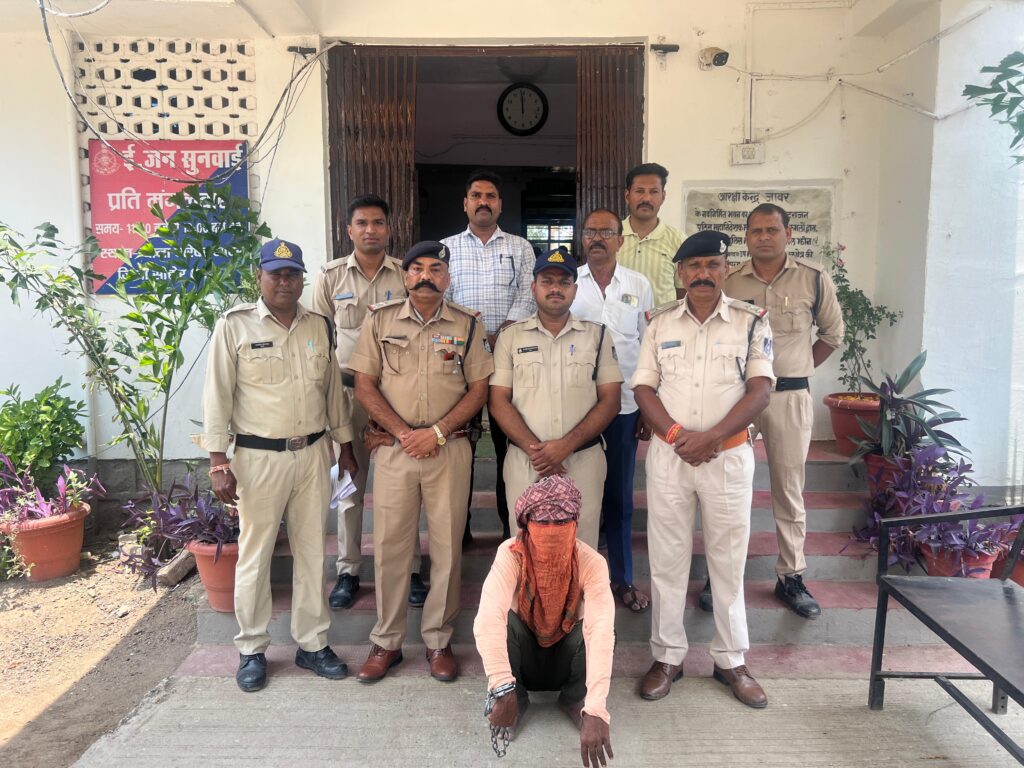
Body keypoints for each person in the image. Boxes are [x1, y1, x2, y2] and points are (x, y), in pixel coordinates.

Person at [197, 238, 358, 693]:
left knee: (311, 552)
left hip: (313, 454)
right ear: (260, 276)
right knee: (256, 553)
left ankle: (312, 643)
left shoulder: (319, 325)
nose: (284, 281)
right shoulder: (235, 325)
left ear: (302, 279)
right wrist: (217, 461)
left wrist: (345, 447)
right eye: (276, 273)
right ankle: (252, 648)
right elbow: (217, 395)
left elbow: (332, 394)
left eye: (292, 274)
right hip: (258, 458)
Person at [632, 230, 775, 708]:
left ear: (726, 269)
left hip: (727, 458)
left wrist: (711, 436)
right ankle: (667, 656)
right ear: (679, 273)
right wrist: (677, 435)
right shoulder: (658, 323)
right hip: (670, 457)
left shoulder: (751, 322)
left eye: (712, 265)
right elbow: (644, 388)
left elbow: (760, 390)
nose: (703, 274)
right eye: (693, 266)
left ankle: (731, 659)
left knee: (728, 561)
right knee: (667, 559)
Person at [348, 240, 493, 683]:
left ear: (447, 277)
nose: (426, 275)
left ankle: (438, 640)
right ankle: (386, 641)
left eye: (436, 269)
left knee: (447, 548)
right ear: (405, 276)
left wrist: (437, 432)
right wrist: (402, 433)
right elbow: (365, 385)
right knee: (391, 547)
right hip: (396, 450)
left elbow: (479, 389)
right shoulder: (380, 320)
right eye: (417, 269)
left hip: (449, 448)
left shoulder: (468, 324)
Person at [718, 203, 845, 619]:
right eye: (756, 231)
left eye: (772, 230)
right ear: (746, 237)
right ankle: (721, 574)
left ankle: (791, 575)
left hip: (789, 397)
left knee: (789, 489)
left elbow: (832, 334)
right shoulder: (730, 280)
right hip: (738, 399)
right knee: (725, 486)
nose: (764, 237)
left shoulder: (813, 278)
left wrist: (798, 368)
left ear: (788, 233)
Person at [311, 195, 427, 611]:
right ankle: (348, 570)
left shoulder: (406, 274)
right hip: (347, 394)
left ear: (389, 228)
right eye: (362, 223)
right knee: (349, 483)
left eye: (378, 222)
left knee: (404, 486)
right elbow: (318, 341)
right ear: (349, 230)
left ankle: (411, 567)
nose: (370, 230)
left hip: (395, 397)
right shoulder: (330, 278)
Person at [474, 475, 615, 767]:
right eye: (543, 523)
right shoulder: (510, 554)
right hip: (524, 659)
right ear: (526, 525)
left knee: (596, 627)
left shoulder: (592, 563)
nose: (552, 530)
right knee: (504, 622)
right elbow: (488, 617)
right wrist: (501, 687)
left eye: (561, 523)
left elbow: (601, 630)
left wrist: (596, 708)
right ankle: (517, 698)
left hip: (565, 659)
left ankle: (574, 698)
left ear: (575, 525)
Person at [489, 247, 622, 549]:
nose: (555, 289)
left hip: (582, 460)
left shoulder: (598, 336)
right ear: (533, 287)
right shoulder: (511, 337)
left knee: (581, 546)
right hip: (526, 461)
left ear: (575, 289)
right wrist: (537, 451)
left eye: (564, 282)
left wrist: (565, 446)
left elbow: (611, 400)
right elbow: (498, 401)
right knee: (524, 546)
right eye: (547, 281)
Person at [441, 170, 536, 541]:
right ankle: (459, 530)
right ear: (465, 203)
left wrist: (502, 337)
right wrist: (476, 340)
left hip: (509, 362)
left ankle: (509, 529)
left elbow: (528, 294)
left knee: (508, 447)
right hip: (458, 364)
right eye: (477, 195)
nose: (484, 201)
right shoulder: (446, 249)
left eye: (491, 196)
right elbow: (443, 301)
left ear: (500, 204)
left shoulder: (520, 247)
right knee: (457, 448)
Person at [569, 208, 655, 613]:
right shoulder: (569, 284)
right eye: (591, 232)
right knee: (576, 498)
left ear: (621, 240)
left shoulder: (639, 285)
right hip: (578, 410)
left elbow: (649, 348)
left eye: (606, 232)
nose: (598, 238)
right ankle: (574, 579)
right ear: (582, 239)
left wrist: (647, 408)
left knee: (620, 498)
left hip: (624, 409)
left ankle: (622, 578)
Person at [619, 162, 685, 307]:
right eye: (639, 191)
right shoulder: (612, 236)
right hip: (617, 321)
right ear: (627, 196)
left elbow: (683, 291)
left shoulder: (679, 241)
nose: (646, 198)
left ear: (663, 196)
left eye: (654, 192)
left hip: (663, 321)